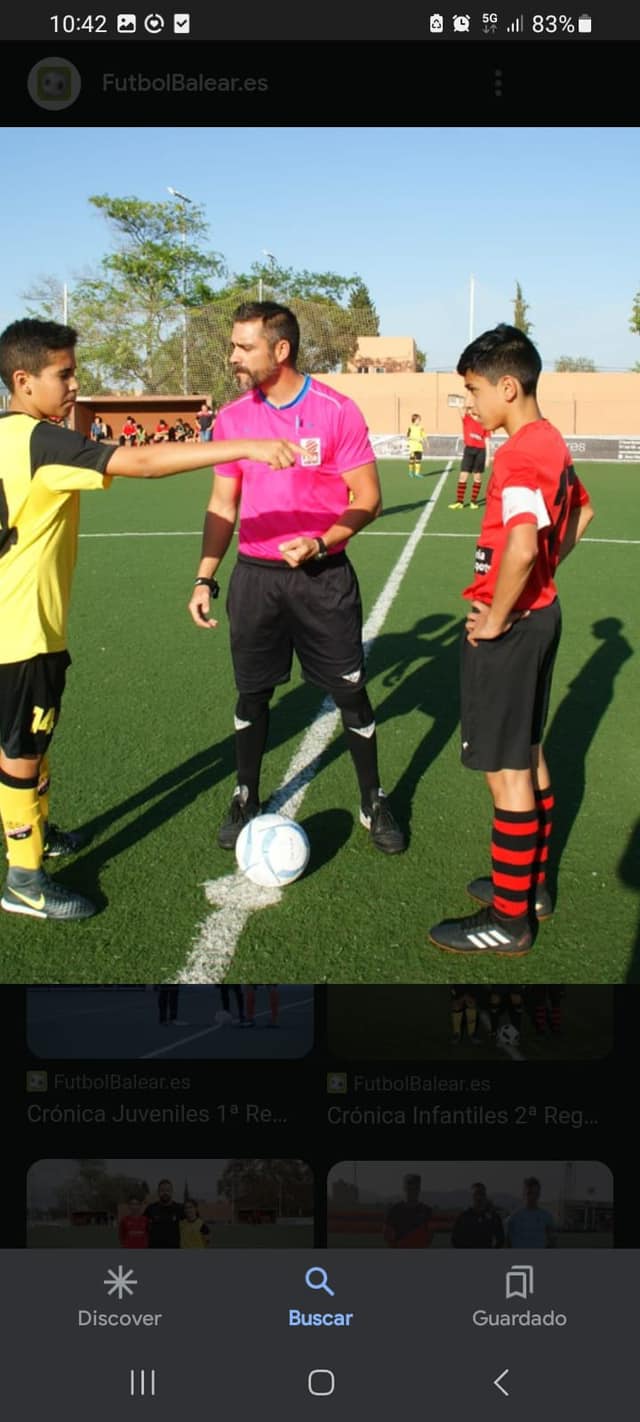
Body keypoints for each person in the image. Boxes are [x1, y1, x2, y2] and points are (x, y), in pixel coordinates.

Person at [0, 317, 299, 922]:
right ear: (23, 380)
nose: (75, 384)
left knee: (31, 739)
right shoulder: (42, 440)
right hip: (24, 630)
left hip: (15, 620)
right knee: (21, 751)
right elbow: (143, 462)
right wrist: (245, 445)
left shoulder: (7, 434)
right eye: (64, 374)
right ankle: (24, 879)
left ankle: (37, 832)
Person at [188, 301, 405, 856]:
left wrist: (321, 542)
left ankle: (373, 798)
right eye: (233, 345)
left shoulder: (336, 411)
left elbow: (369, 499)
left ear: (280, 350)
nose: (232, 356)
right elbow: (222, 502)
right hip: (255, 581)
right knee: (252, 692)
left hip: (322, 577)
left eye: (244, 347)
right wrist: (205, 577)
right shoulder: (233, 418)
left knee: (350, 693)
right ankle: (245, 793)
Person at [428, 323, 594, 956]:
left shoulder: (521, 453)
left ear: (507, 386)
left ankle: (508, 920)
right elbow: (583, 512)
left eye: (473, 391)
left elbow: (523, 546)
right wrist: (543, 577)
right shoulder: (550, 440)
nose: (470, 404)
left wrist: (498, 617)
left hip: (514, 627)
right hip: (541, 615)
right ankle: (530, 891)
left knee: (506, 774)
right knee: (528, 752)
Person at [449, 407, 492, 509]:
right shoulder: (467, 419)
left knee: (477, 477)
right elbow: (461, 410)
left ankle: (473, 501)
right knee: (463, 476)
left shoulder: (484, 423)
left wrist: (488, 457)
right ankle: (459, 502)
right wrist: (461, 404)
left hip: (480, 451)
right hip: (469, 450)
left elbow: (487, 441)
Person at [383, 1173, 433, 1247]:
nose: (412, 1190)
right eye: (409, 1187)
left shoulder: (426, 1210)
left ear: (419, 1189)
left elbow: (429, 1236)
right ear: (404, 1188)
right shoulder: (394, 1210)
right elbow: (387, 1235)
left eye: (415, 1187)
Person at [505, 1176, 557, 1248]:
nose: (532, 1197)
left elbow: (552, 1242)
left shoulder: (546, 1217)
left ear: (539, 1194)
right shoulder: (513, 1218)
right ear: (523, 1193)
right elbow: (508, 1243)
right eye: (529, 1193)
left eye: (535, 1193)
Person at [451, 1182, 504, 1248]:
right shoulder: (463, 1217)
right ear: (471, 1196)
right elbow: (455, 1239)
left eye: (482, 1194)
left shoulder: (494, 1217)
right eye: (476, 1194)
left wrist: (492, 1252)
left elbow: (500, 1239)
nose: (479, 1197)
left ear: (485, 1196)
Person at [144, 1179, 184, 1248]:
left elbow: (194, 1223)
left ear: (172, 1192)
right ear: (158, 1192)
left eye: (168, 1190)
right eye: (162, 1190)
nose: (165, 1193)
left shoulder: (179, 1208)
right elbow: (141, 1225)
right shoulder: (151, 1208)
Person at [406, 412, 427, 478]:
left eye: (419, 420)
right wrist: (417, 439)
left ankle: (417, 473)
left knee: (418, 460)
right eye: (418, 419)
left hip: (419, 446)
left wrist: (426, 442)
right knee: (412, 459)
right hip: (412, 446)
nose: (419, 421)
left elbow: (424, 435)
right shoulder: (410, 427)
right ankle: (410, 472)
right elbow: (408, 436)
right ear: (414, 420)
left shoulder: (421, 427)